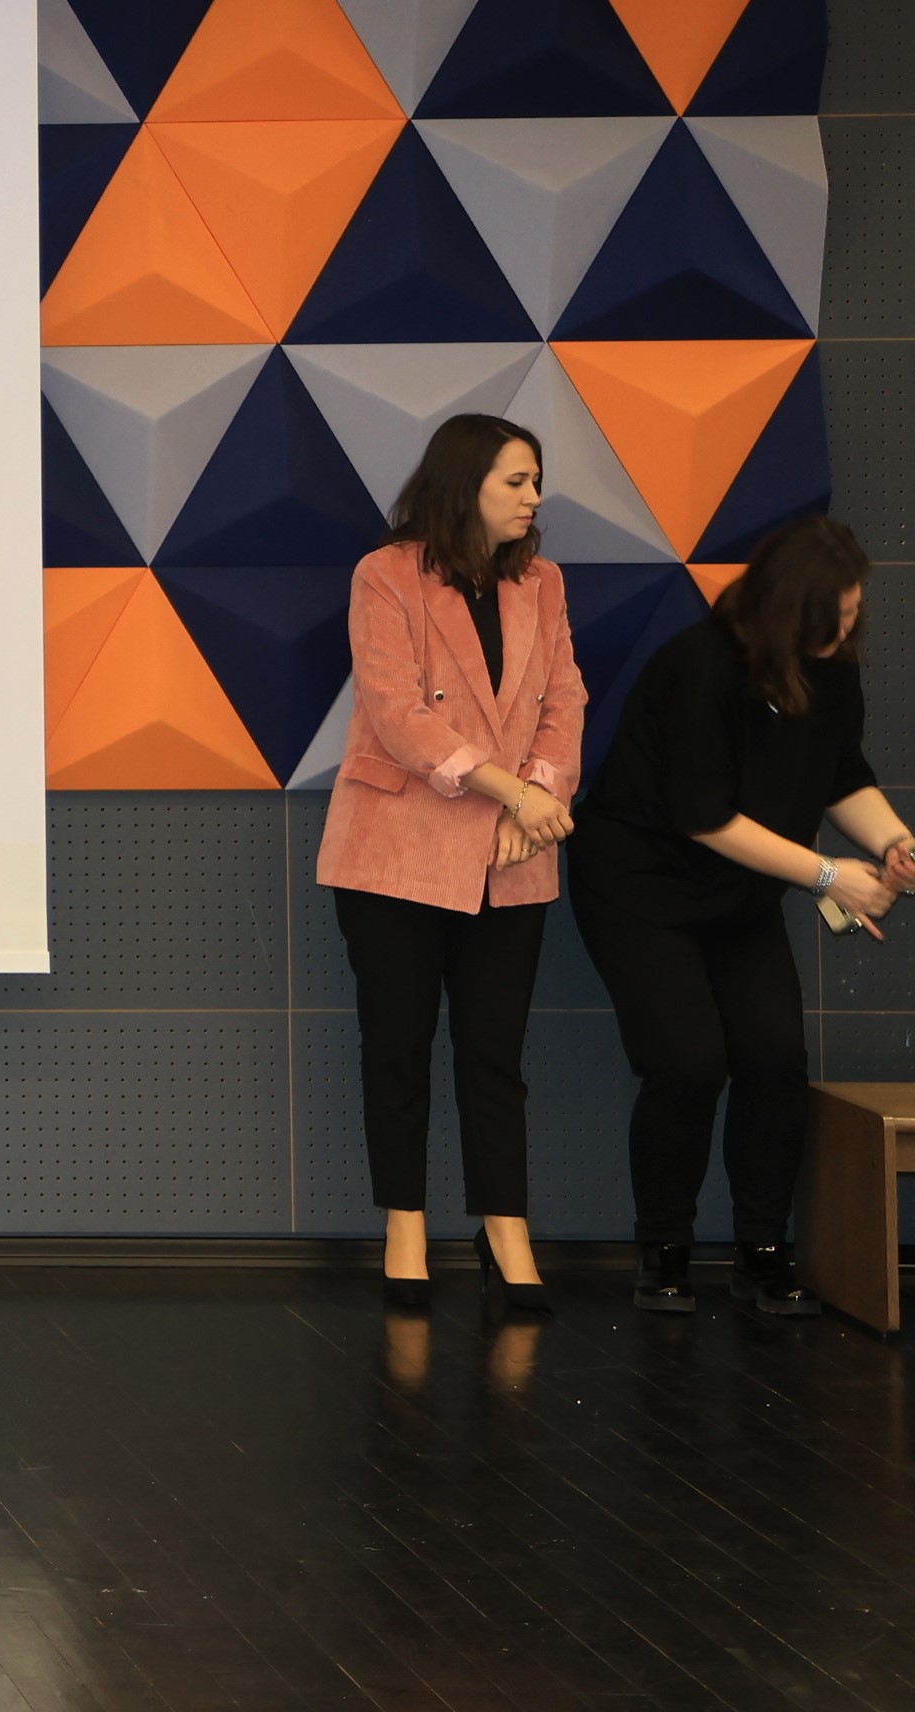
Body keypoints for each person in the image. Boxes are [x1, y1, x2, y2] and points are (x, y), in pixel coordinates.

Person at [568, 515, 915, 1313]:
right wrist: (829, 876)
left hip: (739, 893)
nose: (847, 631)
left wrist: (895, 843)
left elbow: (842, 774)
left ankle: (764, 1251)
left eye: (854, 614)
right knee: (689, 1061)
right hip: (642, 886)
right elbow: (704, 816)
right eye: (834, 618)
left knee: (774, 1058)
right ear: (787, 611)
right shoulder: (700, 666)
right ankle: (665, 1251)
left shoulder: (832, 669)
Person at [315, 414, 583, 1314]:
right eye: (516, 480)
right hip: (396, 853)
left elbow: (565, 701)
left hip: (513, 854)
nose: (534, 497)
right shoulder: (385, 574)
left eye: (536, 480)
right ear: (466, 482)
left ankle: (505, 1228)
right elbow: (398, 713)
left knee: (494, 1053)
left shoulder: (543, 583)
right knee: (398, 1046)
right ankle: (405, 1226)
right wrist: (514, 794)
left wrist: (535, 799)